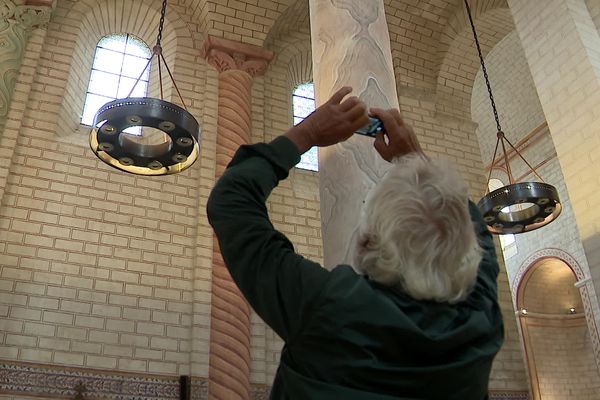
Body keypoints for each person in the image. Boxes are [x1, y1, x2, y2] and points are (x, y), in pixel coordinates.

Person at [207, 86, 504, 399]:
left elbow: (230, 202)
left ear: (366, 244)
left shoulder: (327, 307)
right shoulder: (480, 320)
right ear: (465, 249)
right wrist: (415, 159)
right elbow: (473, 231)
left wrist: (307, 132)